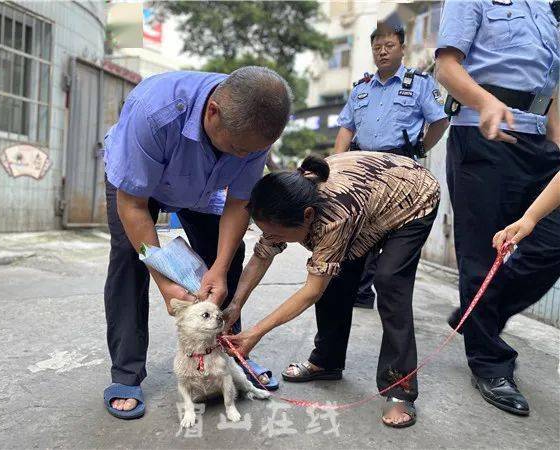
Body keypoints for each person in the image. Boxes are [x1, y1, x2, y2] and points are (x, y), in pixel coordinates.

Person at [102, 67, 291, 419]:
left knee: (229, 258)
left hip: (205, 186)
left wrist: (218, 267)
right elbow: (133, 205)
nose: (242, 157)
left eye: (250, 153)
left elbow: (238, 202)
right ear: (212, 112)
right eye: (237, 148)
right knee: (130, 260)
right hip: (141, 183)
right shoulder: (153, 112)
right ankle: (126, 373)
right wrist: (165, 284)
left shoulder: (252, 133)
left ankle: (231, 354)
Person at [223, 153, 440, 428]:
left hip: (412, 197)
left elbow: (311, 290)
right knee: (335, 277)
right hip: (369, 198)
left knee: (389, 281)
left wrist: (255, 333)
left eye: (276, 234)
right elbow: (261, 256)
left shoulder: (333, 218)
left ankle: (400, 387)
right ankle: (327, 362)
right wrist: (235, 305)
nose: (271, 239)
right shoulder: (288, 199)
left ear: (308, 216)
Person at [436, 0, 560, 416]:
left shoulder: (545, 8)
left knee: (552, 241)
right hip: (485, 133)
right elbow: (448, 68)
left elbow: (550, 88)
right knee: (483, 256)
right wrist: (485, 102)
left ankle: (477, 315)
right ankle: (490, 362)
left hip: (540, 139)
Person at [334, 22, 448, 309]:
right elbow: (346, 129)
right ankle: (358, 292)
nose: (382, 52)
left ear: (402, 49)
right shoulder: (361, 89)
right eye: (377, 48)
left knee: (389, 232)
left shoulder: (420, 84)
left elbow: (440, 121)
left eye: (389, 46)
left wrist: (421, 148)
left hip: (399, 170)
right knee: (359, 228)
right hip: (361, 167)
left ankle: (377, 290)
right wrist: (336, 165)